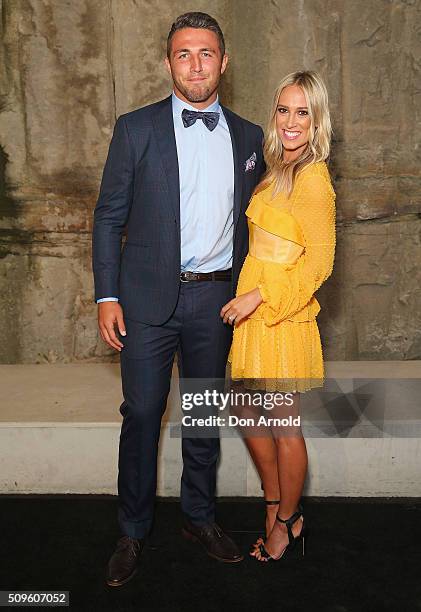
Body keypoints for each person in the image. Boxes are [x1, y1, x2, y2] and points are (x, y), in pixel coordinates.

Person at [92, 12, 265, 586]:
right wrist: (107, 295)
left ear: (224, 61)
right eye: (185, 54)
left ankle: (199, 517)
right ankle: (133, 530)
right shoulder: (134, 128)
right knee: (142, 414)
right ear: (169, 64)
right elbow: (109, 215)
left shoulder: (248, 137)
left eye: (207, 53)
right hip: (143, 302)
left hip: (215, 302)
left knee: (202, 415)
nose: (196, 64)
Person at [220, 71, 336, 561]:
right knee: (246, 410)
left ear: (316, 122)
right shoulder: (272, 169)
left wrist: (259, 297)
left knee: (285, 423)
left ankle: (288, 521)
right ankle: (274, 502)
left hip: (280, 314)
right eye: (284, 110)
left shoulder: (314, 181)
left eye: (302, 112)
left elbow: (319, 265)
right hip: (252, 314)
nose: (291, 121)